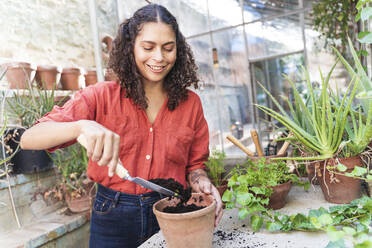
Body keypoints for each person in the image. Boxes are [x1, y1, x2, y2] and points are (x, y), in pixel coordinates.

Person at [20, 4, 222, 248]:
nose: (159, 57)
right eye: (148, 47)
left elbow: (195, 166)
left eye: (168, 48)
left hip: (172, 210)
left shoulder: (191, 104)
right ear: (131, 48)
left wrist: (201, 181)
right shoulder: (101, 96)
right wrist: (80, 126)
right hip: (113, 214)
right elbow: (29, 138)